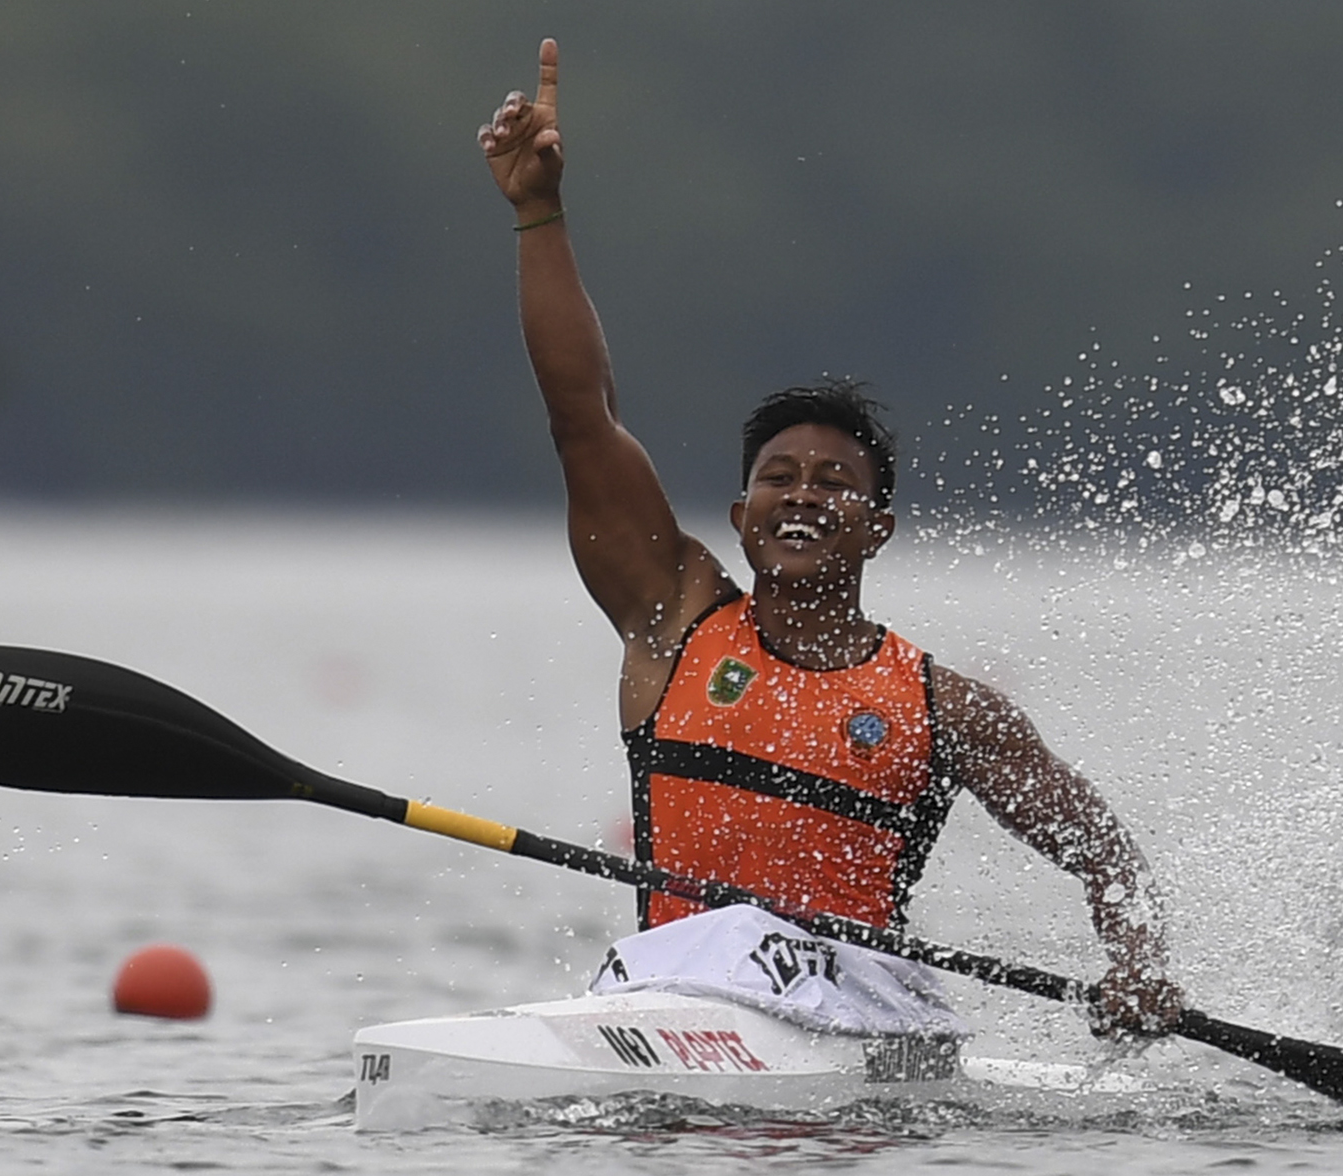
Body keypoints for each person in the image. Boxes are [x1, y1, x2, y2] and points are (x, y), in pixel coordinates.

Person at [480, 39, 1181, 1037]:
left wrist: (1138, 961)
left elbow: (1101, 850)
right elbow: (579, 416)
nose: (801, 497)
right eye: (777, 478)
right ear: (739, 517)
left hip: (858, 1026)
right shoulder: (669, 617)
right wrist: (535, 213)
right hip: (671, 1001)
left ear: (877, 529)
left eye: (833, 484)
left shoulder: (943, 710)